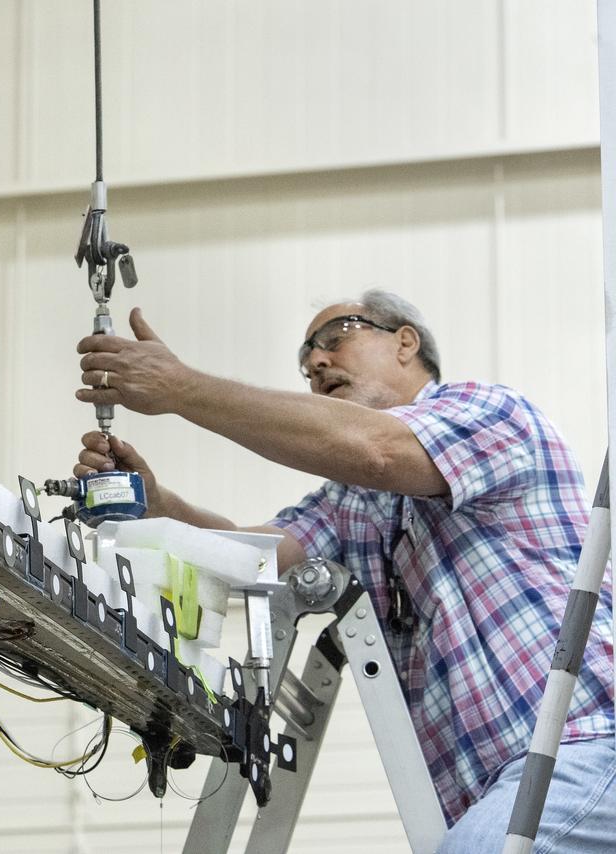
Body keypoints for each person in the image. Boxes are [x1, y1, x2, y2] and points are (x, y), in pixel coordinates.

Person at [73, 289, 615, 851]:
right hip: (494, 795)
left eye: (336, 337)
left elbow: (375, 449)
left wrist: (182, 387)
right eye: (307, 361)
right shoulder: (354, 504)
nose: (316, 363)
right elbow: (252, 557)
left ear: (406, 341)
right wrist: (156, 506)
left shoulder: (489, 411)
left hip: (585, 743)